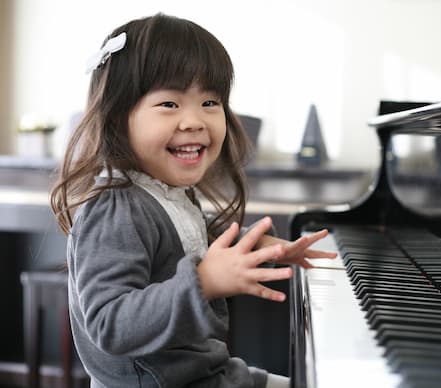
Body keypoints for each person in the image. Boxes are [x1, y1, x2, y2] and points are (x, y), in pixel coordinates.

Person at [50, 13, 336, 388]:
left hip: (202, 374)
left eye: (210, 102)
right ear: (118, 117)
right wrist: (202, 283)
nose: (195, 120)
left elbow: (185, 241)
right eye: (170, 104)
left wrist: (257, 247)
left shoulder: (165, 191)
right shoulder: (115, 207)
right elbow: (110, 325)